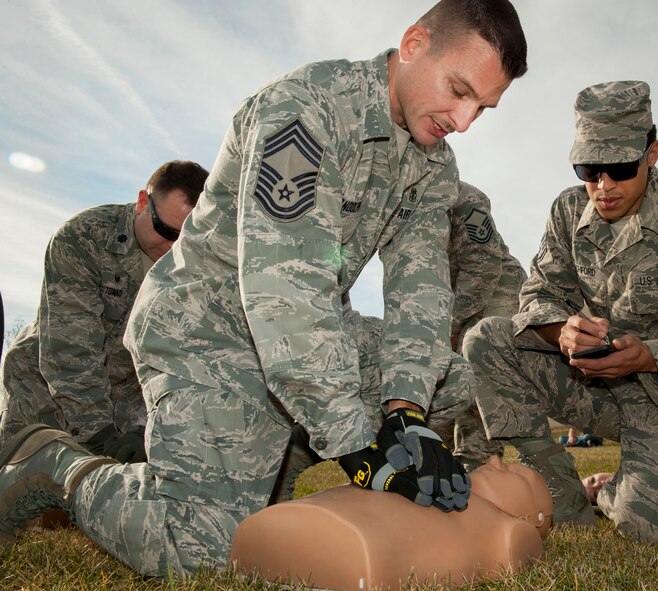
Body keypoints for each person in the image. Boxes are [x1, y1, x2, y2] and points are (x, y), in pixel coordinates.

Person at [0, 0, 528, 578]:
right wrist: (357, 449)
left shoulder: (434, 168)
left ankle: (277, 464)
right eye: (458, 90)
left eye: (484, 106)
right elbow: (285, 292)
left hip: (305, 333)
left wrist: (404, 415)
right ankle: (55, 463)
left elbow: (420, 292)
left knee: (452, 377)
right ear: (413, 44)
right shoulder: (306, 110)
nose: (464, 119)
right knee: (200, 554)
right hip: (210, 331)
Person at [463, 80, 658, 544]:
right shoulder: (569, 211)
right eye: (589, 168)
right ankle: (564, 496)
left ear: (651, 153)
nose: (603, 185)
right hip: (605, 389)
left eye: (620, 168)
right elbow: (539, 292)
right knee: (487, 340)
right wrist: (562, 332)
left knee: (648, 525)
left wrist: (653, 357)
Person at [271, 181, 527, 501]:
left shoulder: (464, 197)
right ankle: (423, 455)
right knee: (423, 378)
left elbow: (484, 265)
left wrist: (450, 323)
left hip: (493, 294)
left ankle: (478, 460)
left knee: (476, 367)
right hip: (434, 302)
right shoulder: (382, 200)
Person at [0, 160, 208, 461]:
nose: (172, 247)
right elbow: (70, 350)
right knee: (24, 495)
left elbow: (179, 357)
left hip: (125, 406)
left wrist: (146, 426)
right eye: (165, 229)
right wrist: (98, 438)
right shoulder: (84, 238)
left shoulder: (193, 267)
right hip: (44, 394)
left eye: (185, 239)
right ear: (141, 202)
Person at [231, 456, 552, 591]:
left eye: (517, 473)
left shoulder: (509, 529)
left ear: (530, 518)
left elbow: (518, 549)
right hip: (326, 520)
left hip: (361, 547)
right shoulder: (437, 478)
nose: (495, 461)